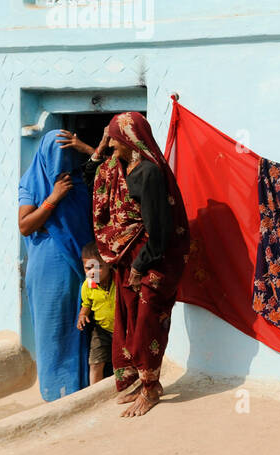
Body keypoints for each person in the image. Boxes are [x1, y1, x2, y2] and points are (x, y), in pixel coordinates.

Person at [68, 113, 189, 418]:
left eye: (113, 138)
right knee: (129, 322)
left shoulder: (148, 173)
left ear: (129, 140)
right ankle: (138, 379)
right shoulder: (115, 168)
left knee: (147, 323)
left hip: (150, 259)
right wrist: (98, 147)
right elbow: (88, 176)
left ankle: (150, 388)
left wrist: (140, 266)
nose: (110, 144)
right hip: (124, 256)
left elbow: (158, 230)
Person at [18, 129, 94, 400]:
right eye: (56, 155)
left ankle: (78, 386)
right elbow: (25, 226)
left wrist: (85, 147)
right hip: (47, 269)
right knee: (53, 328)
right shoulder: (31, 183)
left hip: (78, 266)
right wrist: (54, 197)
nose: (61, 161)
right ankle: (54, 389)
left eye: (66, 154)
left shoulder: (79, 183)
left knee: (80, 322)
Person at [77, 241, 115, 385]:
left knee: (123, 362)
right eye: (88, 268)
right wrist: (82, 315)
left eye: (97, 267)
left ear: (109, 264)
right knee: (95, 363)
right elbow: (87, 303)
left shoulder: (118, 280)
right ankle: (94, 390)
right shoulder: (88, 285)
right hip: (101, 331)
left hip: (123, 330)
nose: (92, 272)